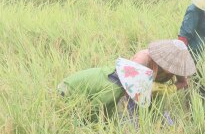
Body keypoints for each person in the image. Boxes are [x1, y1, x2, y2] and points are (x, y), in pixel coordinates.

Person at [58, 39, 196, 122]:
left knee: (156, 104)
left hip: (139, 87)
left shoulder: (178, 66)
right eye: (170, 66)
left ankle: (156, 124)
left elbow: (184, 83)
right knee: (121, 110)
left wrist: (167, 89)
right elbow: (94, 108)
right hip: (66, 91)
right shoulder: (142, 60)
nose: (174, 70)